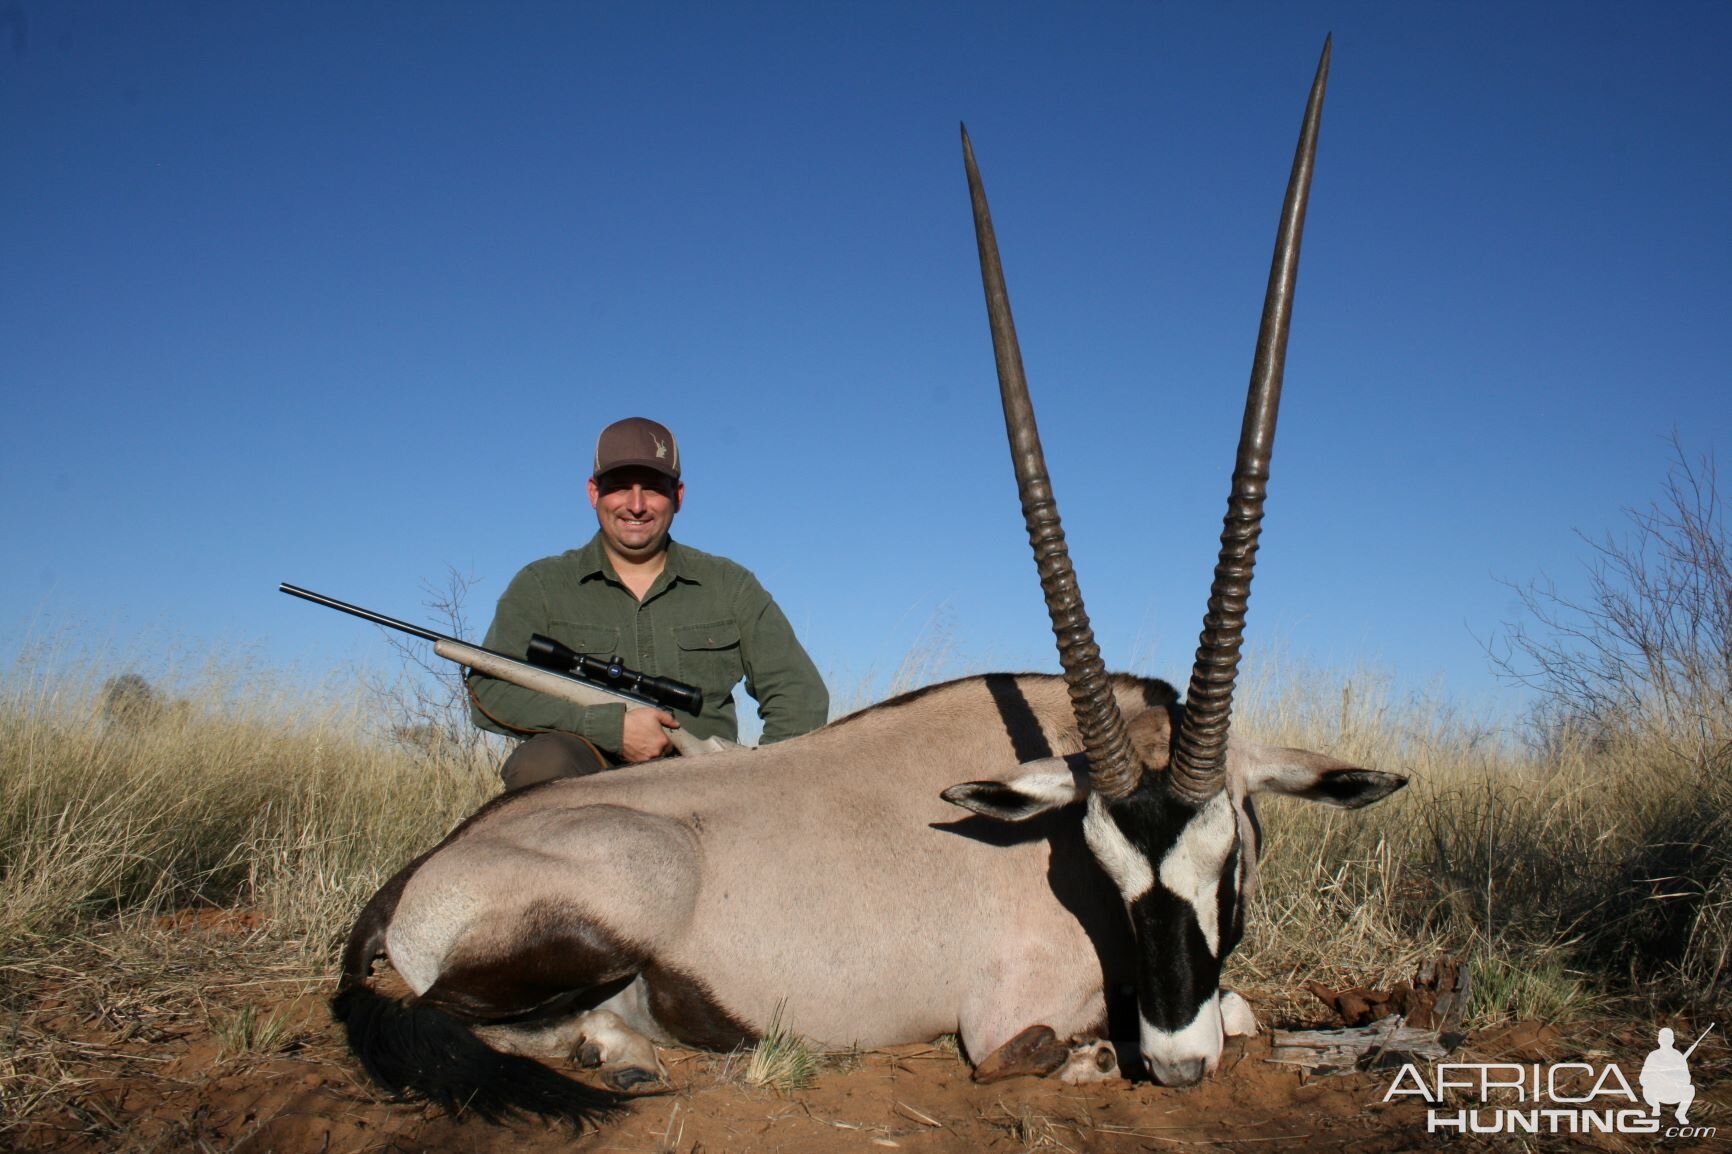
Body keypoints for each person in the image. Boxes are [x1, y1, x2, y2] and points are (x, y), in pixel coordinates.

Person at [470, 416, 829, 790]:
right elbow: (490, 689)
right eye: (620, 487)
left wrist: (757, 785)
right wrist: (607, 728)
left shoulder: (729, 584)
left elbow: (800, 696)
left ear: (678, 496)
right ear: (593, 493)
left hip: (706, 786)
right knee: (540, 764)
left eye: (654, 488)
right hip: (588, 787)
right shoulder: (541, 585)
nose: (636, 505)